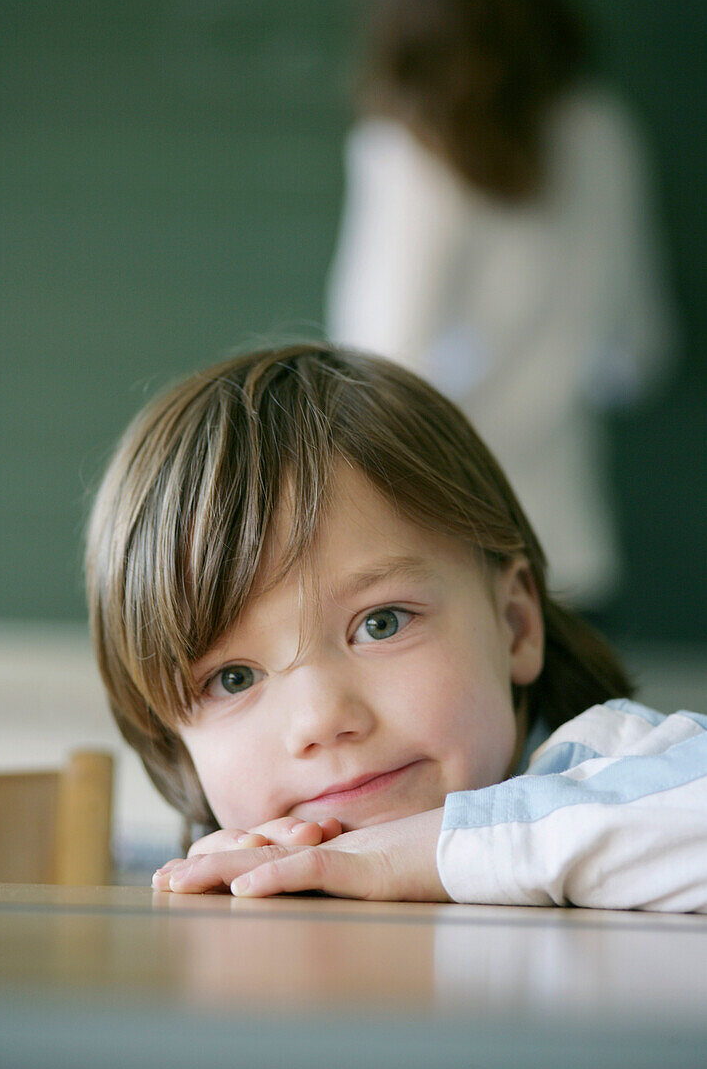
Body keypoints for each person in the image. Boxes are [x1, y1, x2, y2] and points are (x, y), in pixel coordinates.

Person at [86, 344, 706, 910]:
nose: (322, 720)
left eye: (379, 624)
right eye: (233, 678)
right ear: (176, 747)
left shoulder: (610, 764)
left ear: (515, 625)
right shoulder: (257, 866)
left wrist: (434, 849)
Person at [325, 0, 676, 615]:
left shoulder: (410, 147)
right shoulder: (601, 131)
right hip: (568, 540)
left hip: (444, 550)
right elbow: (638, 354)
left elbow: (375, 372)